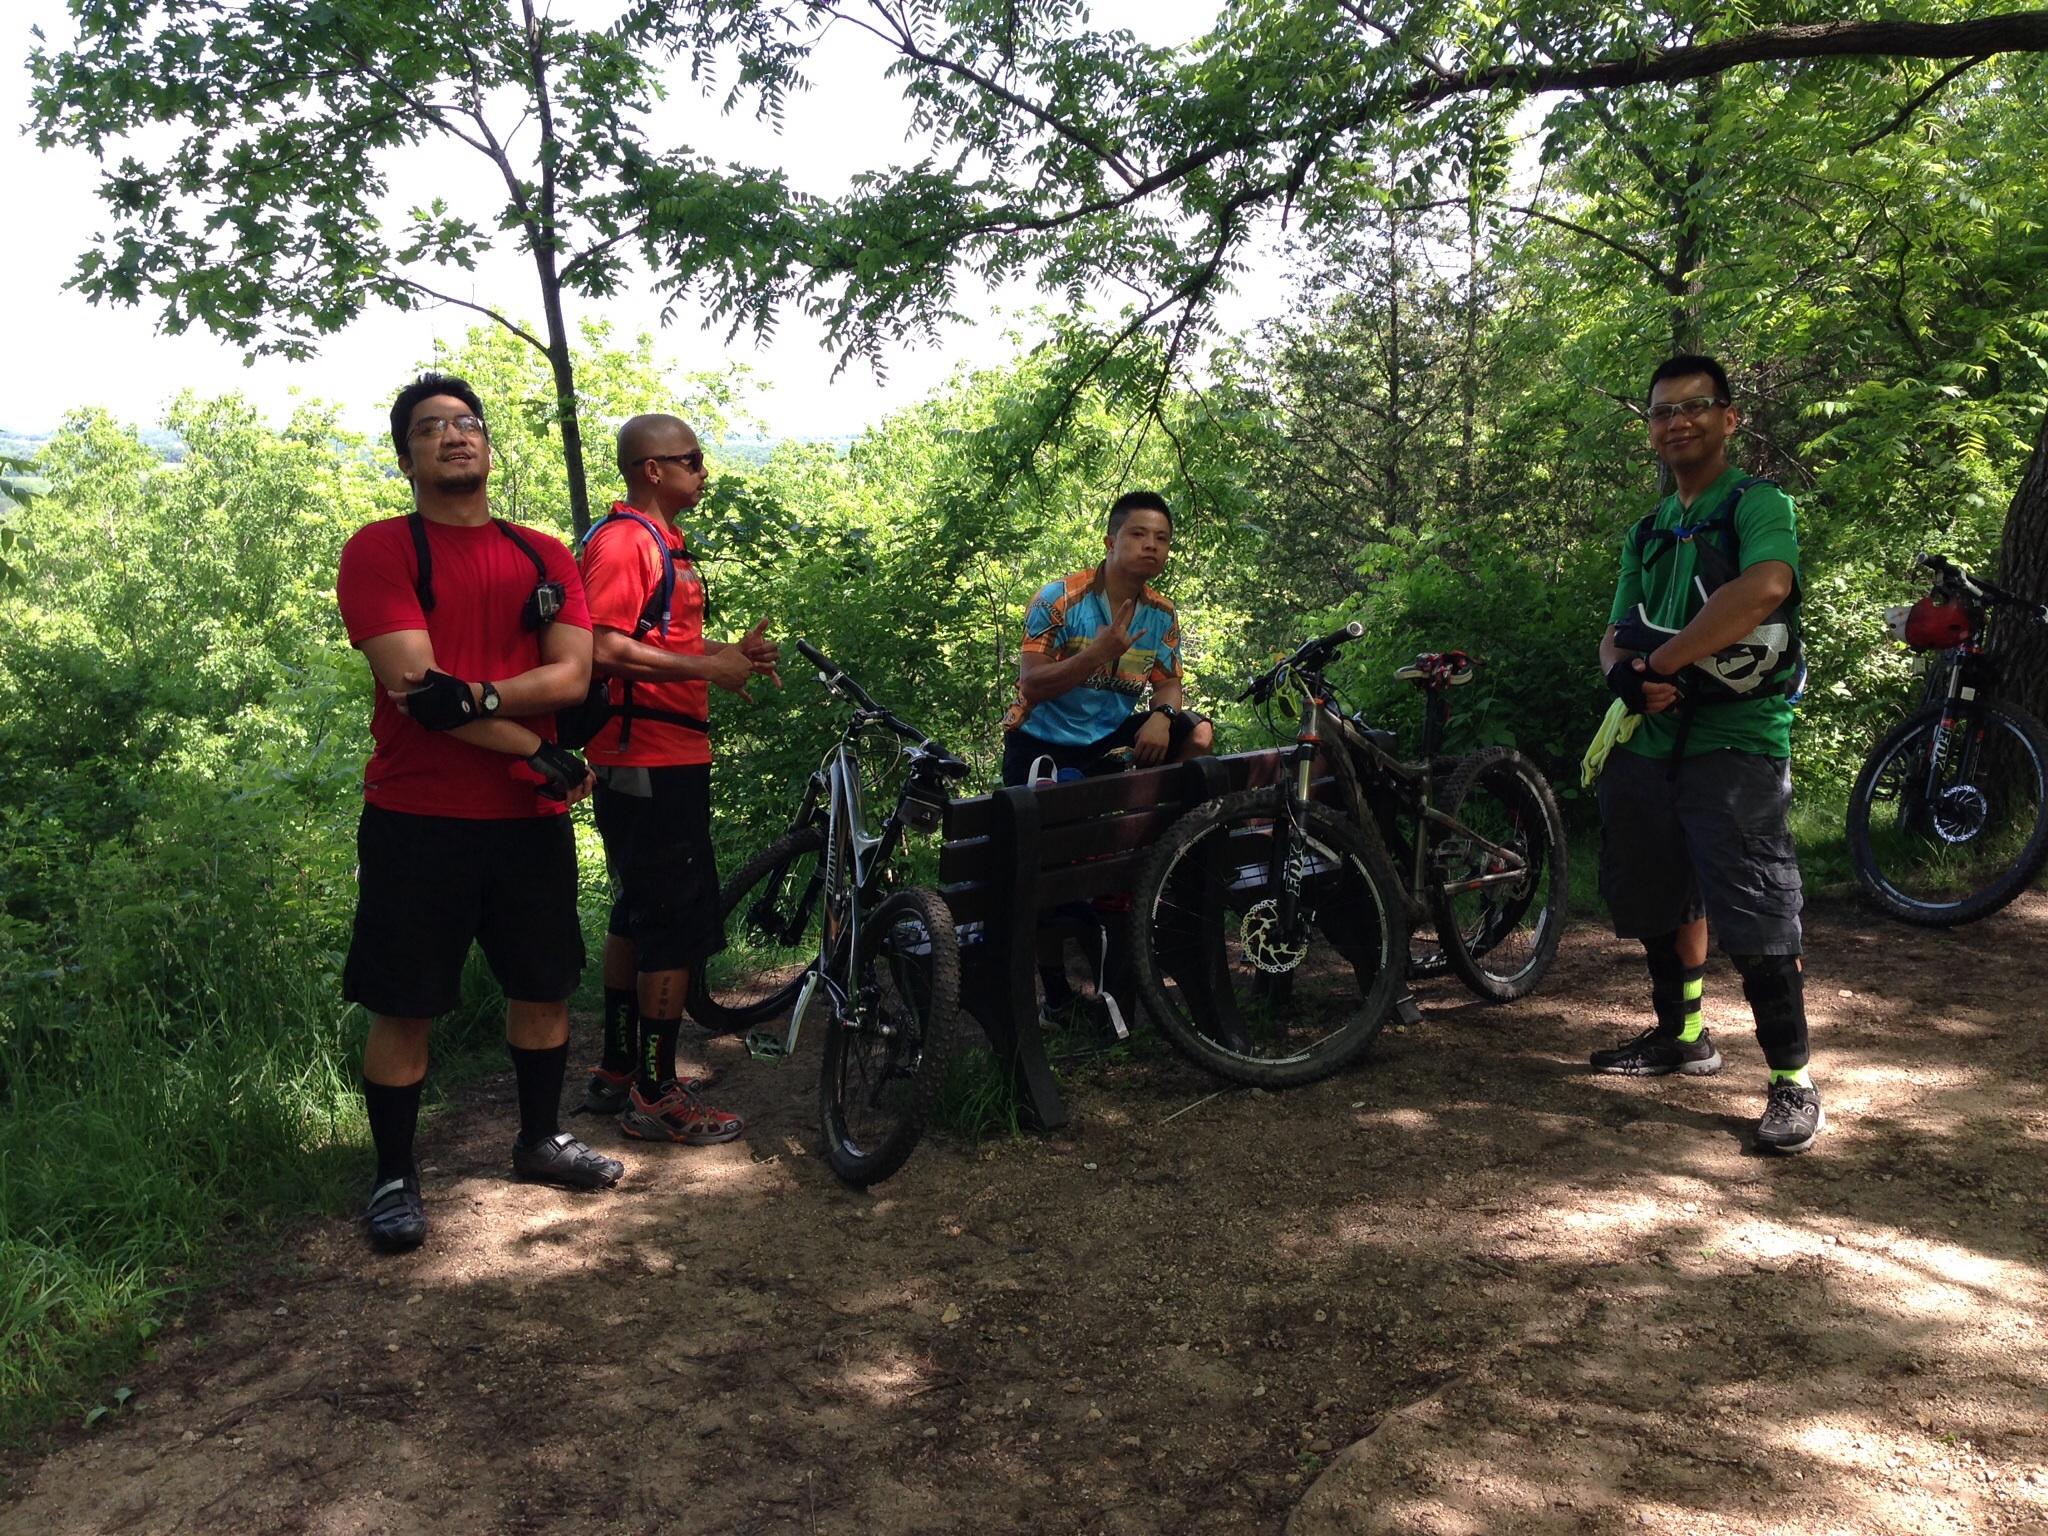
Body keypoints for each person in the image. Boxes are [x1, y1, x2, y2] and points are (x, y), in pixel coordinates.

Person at [336, 372, 624, 1255]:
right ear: (408, 456)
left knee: (542, 986)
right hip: (418, 818)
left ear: (488, 445)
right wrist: (532, 744)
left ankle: (538, 1142)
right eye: (432, 428)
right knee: (405, 1002)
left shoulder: (543, 553)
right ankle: (395, 1176)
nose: (455, 436)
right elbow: (417, 690)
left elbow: (573, 675)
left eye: (468, 423)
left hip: (525, 823)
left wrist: (484, 695)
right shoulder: (383, 549)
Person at [1591, 354, 1822, 1153]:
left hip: (1739, 742)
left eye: (1694, 407)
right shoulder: (1647, 531)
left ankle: (1792, 1080)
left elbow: (1764, 587)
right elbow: (1617, 631)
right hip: (1650, 744)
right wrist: (1628, 677)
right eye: (1662, 412)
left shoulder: (1759, 504)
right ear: (1651, 430)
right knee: (1659, 897)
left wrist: (1668, 662)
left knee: (1757, 908)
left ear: (1729, 419)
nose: (1676, 421)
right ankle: (1682, 1036)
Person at [573, 414, 777, 1145]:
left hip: (659, 754)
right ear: (650, 469)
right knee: (670, 918)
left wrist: (726, 655)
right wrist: (702, 667)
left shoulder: (661, 543)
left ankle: (619, 1068)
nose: (703, 469)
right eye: (690, 458)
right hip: (648, 755)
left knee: (639, 909)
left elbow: (658, 641)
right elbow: (598, 646)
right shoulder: (628, 541)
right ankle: (658, 1095)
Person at [1000, 490, 1215, 1013]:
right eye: (1139, 534)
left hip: (1112, 739)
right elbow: (1031, 686)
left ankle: (1162, 841)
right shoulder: (1060, 600)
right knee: (1045, 873)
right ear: (1111, 541)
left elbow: (1168, 683)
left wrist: (1163, 717)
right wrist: (1097, 652)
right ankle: (1054, 992)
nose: (1151, 547)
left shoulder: (1161, 613)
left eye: (1162, 539)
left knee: (1199, 731)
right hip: (1041, 743)